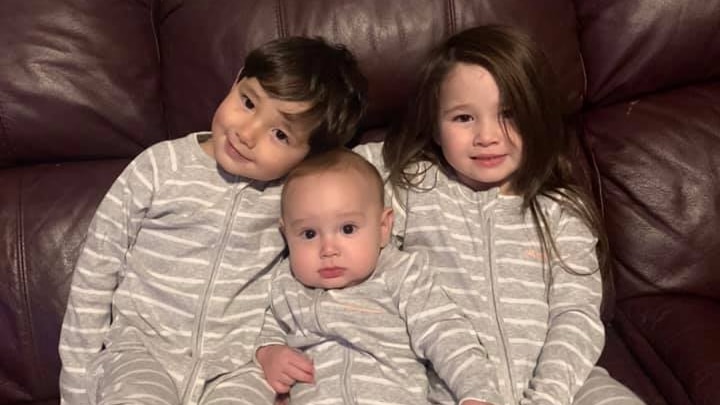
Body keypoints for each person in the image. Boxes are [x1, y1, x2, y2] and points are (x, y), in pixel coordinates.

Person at [58, 36, 367, 405]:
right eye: (248, 102)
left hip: (239, 367)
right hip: (140, 351)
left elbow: (365, 184)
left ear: (308, 156)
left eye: (280, 134)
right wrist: (77, 388)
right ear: (236, 79)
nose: (246, 133)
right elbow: (95, 273)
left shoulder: (297, 200)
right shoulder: (159, 167)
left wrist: (267, 349)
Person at [356, 25, 646, 405]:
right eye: (463, 118)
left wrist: (547, 398)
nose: (488, 136)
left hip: (563, 386)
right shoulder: (410, 182)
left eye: (508, 114)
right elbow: (321, 181)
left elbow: (576, 316)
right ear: (435, 128)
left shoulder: (560, 210)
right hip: (446, 388)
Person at [253, 148, 501, 405]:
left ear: (383, 227)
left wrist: (476, 393)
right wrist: (268, 352)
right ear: (286, 235)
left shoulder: (401, 275)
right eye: (308, 234)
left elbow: (445, 332)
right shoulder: (286, 284)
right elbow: (259, 328)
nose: (328, 250)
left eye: (347, 229)